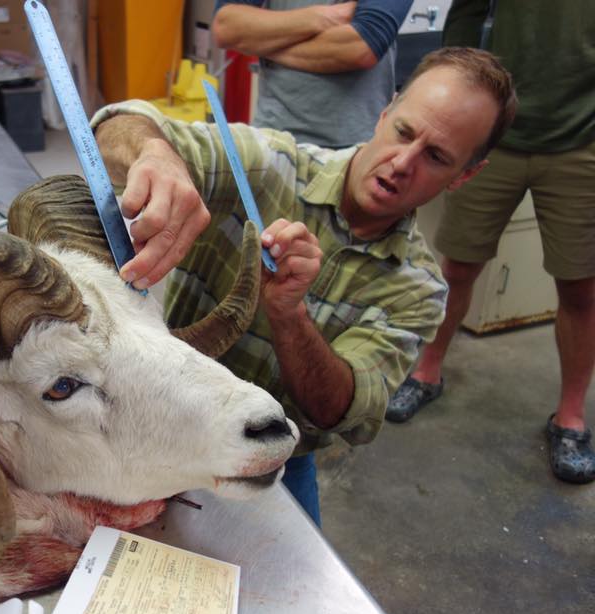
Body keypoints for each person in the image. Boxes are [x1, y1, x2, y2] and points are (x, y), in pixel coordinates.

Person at [91, 47, 517, 525]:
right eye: (404, 132)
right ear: (386, 111)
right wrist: (155, 155)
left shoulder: (417, 289)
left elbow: (348, 413)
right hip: (155, 415)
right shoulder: (268, 165)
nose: (402, 163)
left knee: (292, 579)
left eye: (436, 157)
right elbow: (117, 123)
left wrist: (291, 317)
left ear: (465, 175)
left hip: (275, 451)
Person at [384, 3, 595, 485]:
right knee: (457, 266)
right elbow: (465, 16)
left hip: (581, 142)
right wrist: (459, 97)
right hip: (496, 137)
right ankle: (427, 373)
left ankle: (570, 417)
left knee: (580, 285)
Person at [211, 0, 412, 148]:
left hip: (355, 149)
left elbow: (362, 46)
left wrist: (264, 44)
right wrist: (322, 16)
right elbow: (226, 26)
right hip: (271, 142)